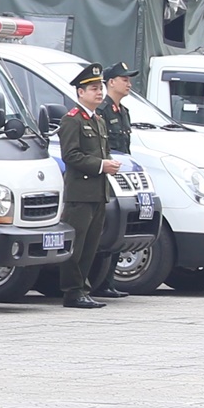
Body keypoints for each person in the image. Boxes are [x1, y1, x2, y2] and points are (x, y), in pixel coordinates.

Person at [58, 63, 117, 309]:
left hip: (97, 192)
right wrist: (101, 165)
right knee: (77, 245)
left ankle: (83, 288)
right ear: (80, 92)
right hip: (80, 194)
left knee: (90, 246)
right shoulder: (72, 120)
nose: (99, 93)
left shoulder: (98, 120)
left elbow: (103, 150)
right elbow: (70, 155)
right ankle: (72, 291)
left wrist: (108, 163)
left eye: (100, 88)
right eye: (93, 89)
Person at [92, 62, 137, 298]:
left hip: (121, 175)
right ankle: (98, 281)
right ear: (111, 82)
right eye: (124, 79)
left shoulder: (124, 112)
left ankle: (108, 281)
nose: (129, 84)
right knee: (105, 229)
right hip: (105, 175)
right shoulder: (102, 111)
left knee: (120, 229)